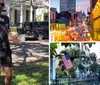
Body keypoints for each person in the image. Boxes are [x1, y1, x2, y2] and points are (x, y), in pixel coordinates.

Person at [0, 0, 18, 85]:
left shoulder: (5, 18)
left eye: (2, 4)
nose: (0, 6)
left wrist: (14, 38)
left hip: (5, 50)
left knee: (9, 76)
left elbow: (7, 35)